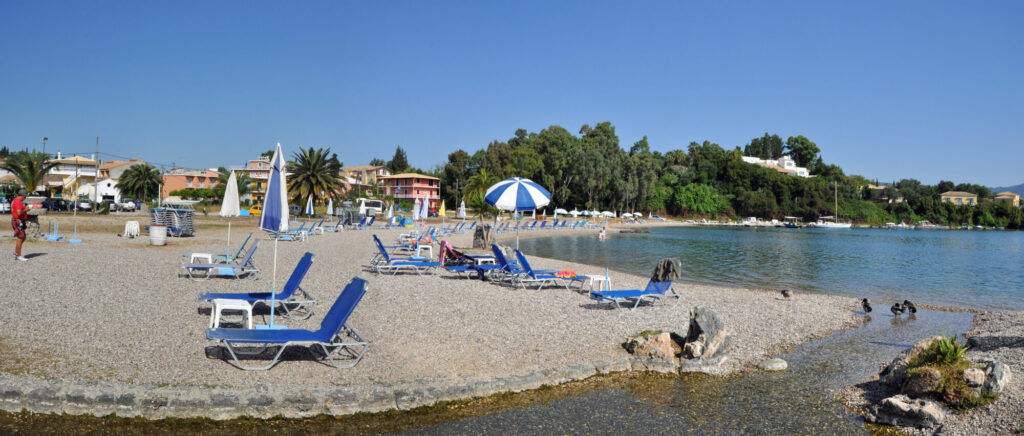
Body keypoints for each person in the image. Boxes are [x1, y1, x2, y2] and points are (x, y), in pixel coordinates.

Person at [11, 189, 29, 261]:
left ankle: (16, 252)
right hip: (18, 221)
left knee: (23, 237)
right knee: (20, 238)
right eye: (25, 197)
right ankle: (19, 256)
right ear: (22, 195)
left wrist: (24, 209)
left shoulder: (16, 200)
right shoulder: (18, 201)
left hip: (18, 221)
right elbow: (19, 213)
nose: (25, 198)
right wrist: (26, 209)